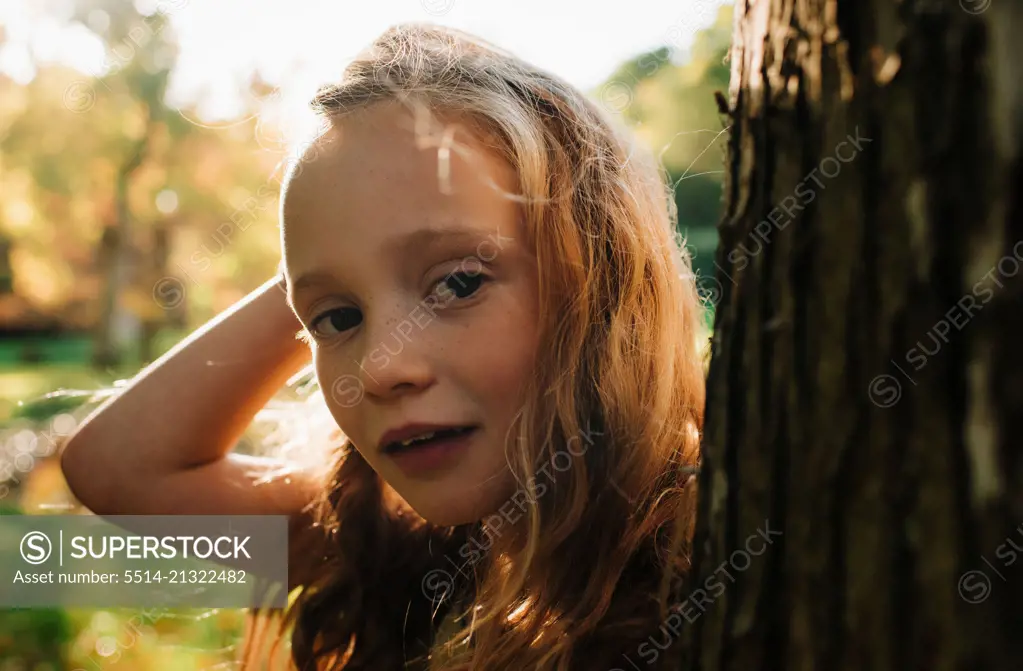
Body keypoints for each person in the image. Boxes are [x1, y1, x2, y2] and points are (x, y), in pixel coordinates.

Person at [60, 22, 706, 670]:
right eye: (336, 317)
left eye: (456, 282)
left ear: (604, 278)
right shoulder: (391, 544)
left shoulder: (714, 558)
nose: (378, 366)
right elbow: (116, 469)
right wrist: (340, 237)